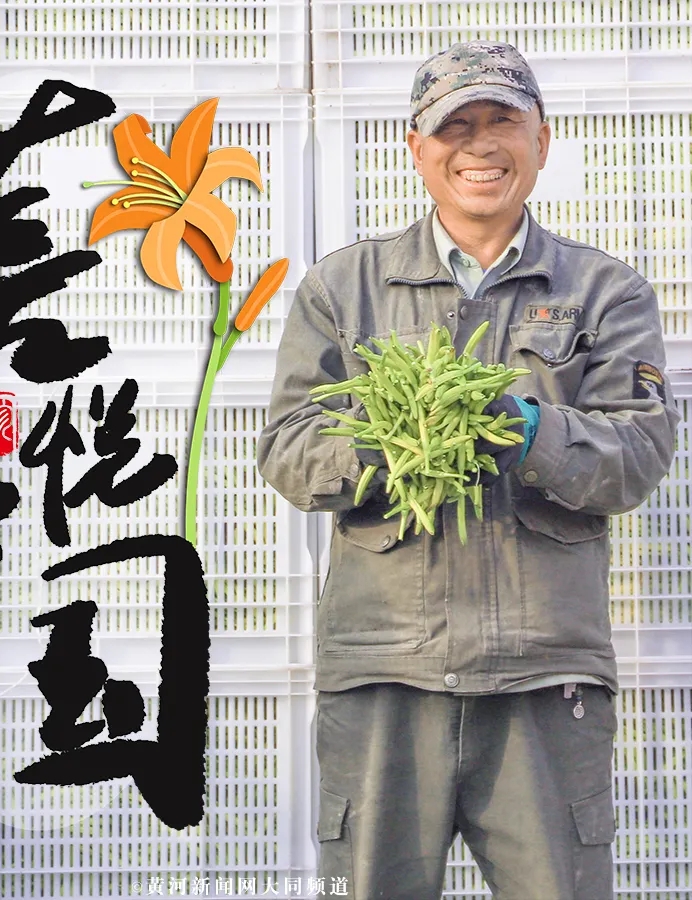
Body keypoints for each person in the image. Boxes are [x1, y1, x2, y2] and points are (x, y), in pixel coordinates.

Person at [256, 41, 680, 900]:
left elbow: (637, 454)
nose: (479, 146)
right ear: (417, 148)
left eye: (502, 122)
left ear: (542, 141)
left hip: (543, 677)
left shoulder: (605, 292)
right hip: (384, 673)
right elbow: (289, 450)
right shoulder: (346, 288)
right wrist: (390, 440)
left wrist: (530, 430)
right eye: (455, 127)